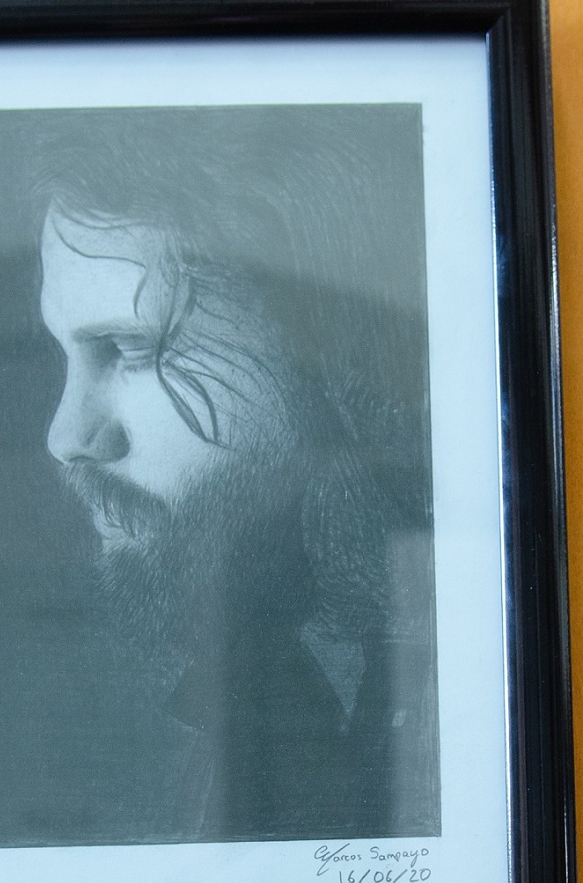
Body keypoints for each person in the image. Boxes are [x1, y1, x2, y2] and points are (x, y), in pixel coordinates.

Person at [32, 106, 439, 842]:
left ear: (314, 342)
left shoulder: (455, 684)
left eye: (130, 349)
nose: (67, 437)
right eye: (66, 355)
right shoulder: (264, 681)